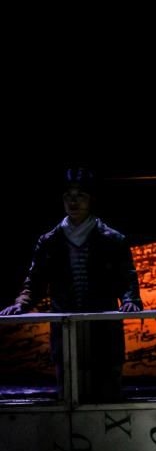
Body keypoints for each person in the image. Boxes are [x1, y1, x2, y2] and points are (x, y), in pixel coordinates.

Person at [0, 167, 143, 403]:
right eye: (68, 196)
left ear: (91, 199)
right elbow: (35, 280)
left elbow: (126, 276)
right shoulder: (50, 241)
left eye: (80, 196)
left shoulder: (112, 239)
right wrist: (22, 303)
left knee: (107, 392)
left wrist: (131, 300)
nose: (73, 201)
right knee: (69, 393)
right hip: (65, 326)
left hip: (103, 326)